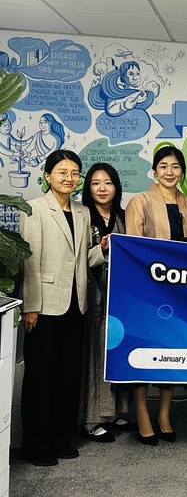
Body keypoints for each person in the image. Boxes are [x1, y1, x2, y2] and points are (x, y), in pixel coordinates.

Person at [19, 150, 106, 466]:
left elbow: (82, 259)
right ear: (48, 176)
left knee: (68, 377)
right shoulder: (34, 208)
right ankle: (36, 445)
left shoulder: (82, 212)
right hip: (44, 306)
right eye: (62, 172)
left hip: (76, 304)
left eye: (74, 173)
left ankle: (60, 439)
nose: (69, 178)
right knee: (41, 378)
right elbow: (29, 262)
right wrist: (30, 306)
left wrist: (102, 249)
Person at [125, 145, 187, 445]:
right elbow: (132, 251)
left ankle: (164, 413)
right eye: (164, 166)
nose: (170, 172)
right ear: (155, 170)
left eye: (175, 166)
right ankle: (143, 413)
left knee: (172, 352)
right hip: (146, 293)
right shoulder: (139, 202)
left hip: (180, 294)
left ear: (182, 171)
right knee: (143, 351)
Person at [80, 163, 134, 443]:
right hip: (96, 299)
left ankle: (114, 413)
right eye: (96, 183)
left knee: (117, 353)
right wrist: (100, 249)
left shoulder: (124, 217)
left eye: (108, 183)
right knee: (96, 359)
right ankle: (92, 420)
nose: (102, 189)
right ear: (88, 188)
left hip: (121, 301)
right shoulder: (82, 217)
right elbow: (78, 262)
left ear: (116, 187)